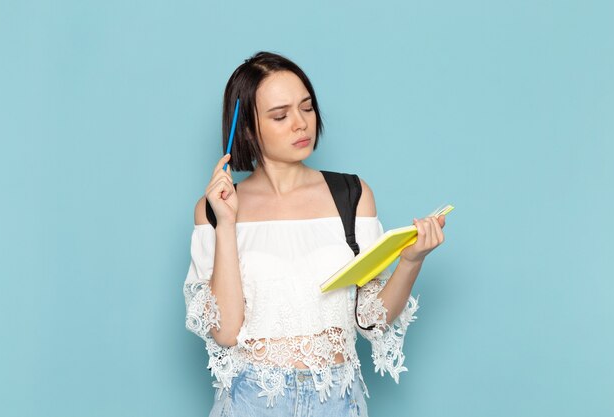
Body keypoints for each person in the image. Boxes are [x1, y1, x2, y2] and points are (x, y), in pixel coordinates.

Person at [183, 51, 446, 417]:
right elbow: (226, 332)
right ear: (246, 127)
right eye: (280, 115)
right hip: (253, 401)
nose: (300, 124)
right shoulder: (216, 209)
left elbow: (371, 318)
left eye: (306, 108)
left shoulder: (352, 195)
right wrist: (226, 223)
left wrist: (411, 260)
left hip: (337, 399)